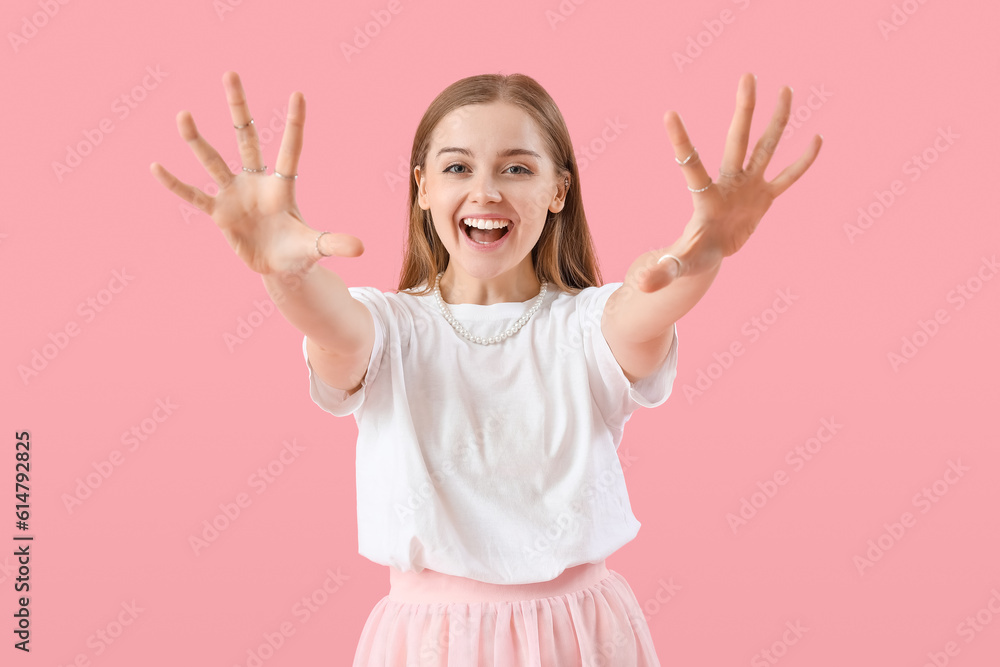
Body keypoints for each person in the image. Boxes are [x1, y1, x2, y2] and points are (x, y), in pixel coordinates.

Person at [150, 70, 821, 666]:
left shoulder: (585, 327)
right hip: (428, 641)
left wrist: (706, 250)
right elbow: (330, 324)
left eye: (518, 169)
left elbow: (646, 309)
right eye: (457, 168)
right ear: (421, 188)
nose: (485, 190)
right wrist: (285, 272)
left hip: (579, 636)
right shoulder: (387, 329)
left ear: (560, 190)